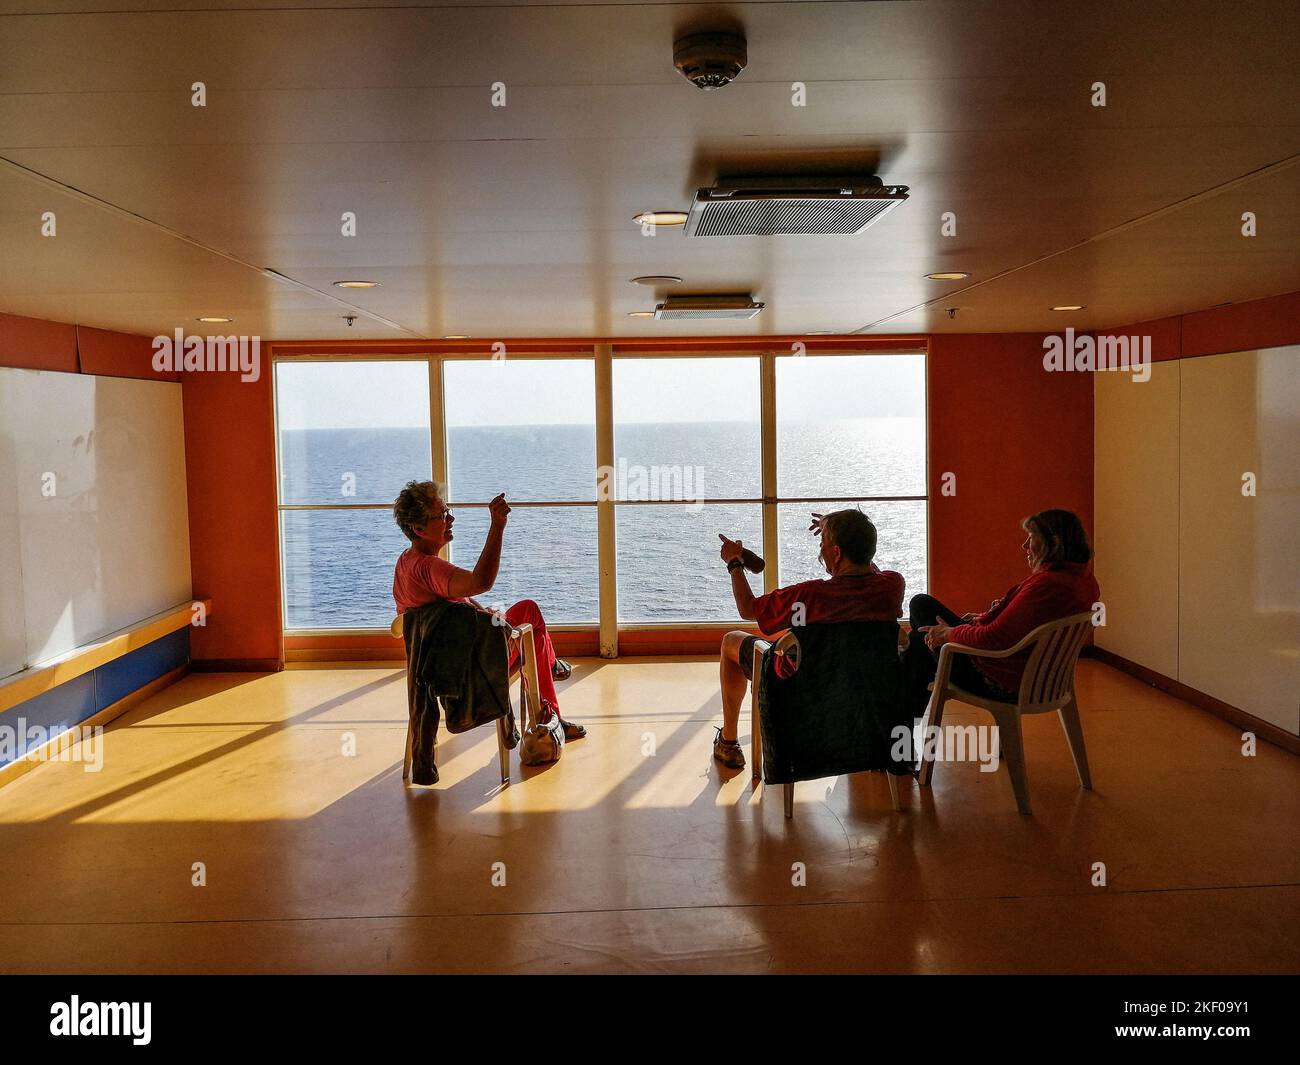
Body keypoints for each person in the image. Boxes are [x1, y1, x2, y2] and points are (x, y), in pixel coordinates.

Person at [712, 509, 905, 770]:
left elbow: (748, 608)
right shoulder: (892, 586)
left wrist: (735, 563)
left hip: (807, 695)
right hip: (865, 696)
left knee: (731, 641)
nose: (820, 549)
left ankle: (729, 742)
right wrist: (838, 530)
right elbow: (868, 569)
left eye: (822, 542)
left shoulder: (808, 595)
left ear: (836, 553)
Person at [391, 480, 585, 739]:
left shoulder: (405, 563)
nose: (451, 518)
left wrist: (481, 616)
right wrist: (497, 526)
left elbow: (451, 609)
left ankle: (550, 676)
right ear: (418, 528)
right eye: (442, 515)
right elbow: (481, 582)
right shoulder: (430, 569)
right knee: (530, 614)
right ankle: (550, 697)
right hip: (471, 670)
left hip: (436, 669)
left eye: (447, 511)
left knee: (522, 629)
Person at [904, 508, 1099, 718]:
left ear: (1054, 542)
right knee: (920, 633)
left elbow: (993, 637)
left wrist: (948, 634)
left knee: (919, 615)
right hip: (1037, 677)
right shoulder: (1085, 581)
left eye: (1031, 537)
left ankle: (902, 720)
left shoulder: (1046, 585)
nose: (1025, 545)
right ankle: (903, 718)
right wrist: (978, 620)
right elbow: (1023, 623)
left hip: (998, 678)